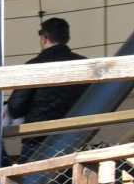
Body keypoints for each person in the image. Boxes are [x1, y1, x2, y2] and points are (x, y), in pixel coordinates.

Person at [9, 15, 86, 151]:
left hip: (38, 138)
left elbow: (16, 106)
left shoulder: (33, 65)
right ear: (67, 38)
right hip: (75, 136)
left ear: (44, 38)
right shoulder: (84, 64)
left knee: (33, 172)